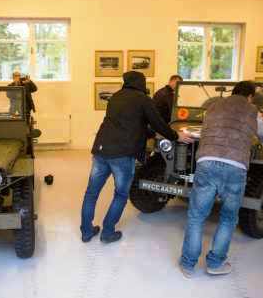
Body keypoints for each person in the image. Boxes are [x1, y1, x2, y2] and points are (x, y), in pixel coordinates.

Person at [179, 81, 263, 278]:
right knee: (228, 218)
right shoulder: (252, 110)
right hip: (235, 166)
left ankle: (188, 264)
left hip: (206, 162)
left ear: (232, 92)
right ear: (251, 96)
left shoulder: (213, 106)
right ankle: (215, 263)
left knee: (196, 216)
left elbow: (205, 131)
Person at [80, 71, 193, 244]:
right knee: (120, 194)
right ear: (141, 83)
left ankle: (86, 232)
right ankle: (108, 232)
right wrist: (176, 136)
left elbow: (127, 123)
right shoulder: (142, 99)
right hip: (122, 154)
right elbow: (157, 123)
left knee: (91, 193)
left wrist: (148, 132)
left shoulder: (116, 97)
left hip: (101, 150)